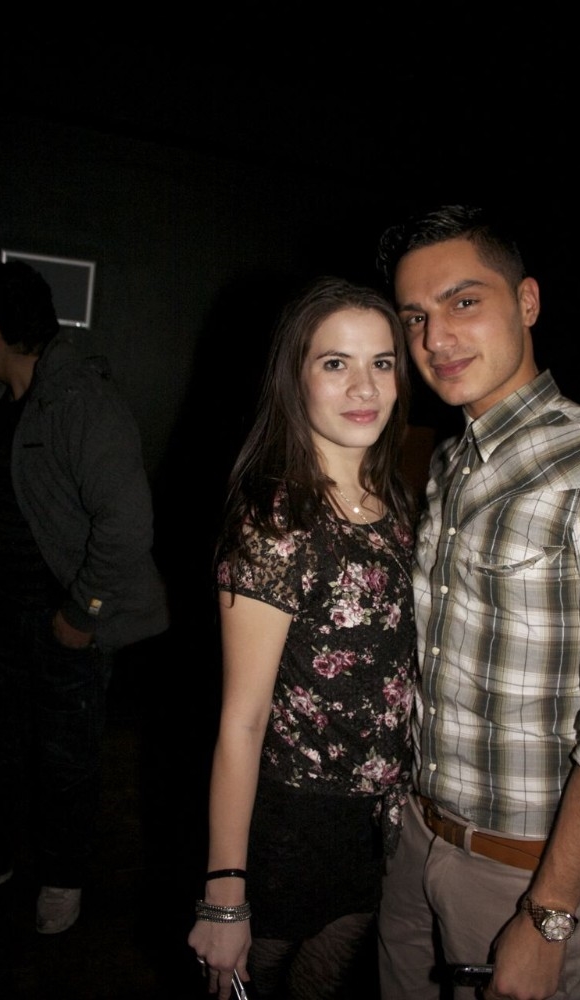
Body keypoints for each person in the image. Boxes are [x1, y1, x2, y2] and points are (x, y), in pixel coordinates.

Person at [373, 205, 580, 1000]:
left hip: (519, 874)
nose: (436, 339)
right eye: (416, 317)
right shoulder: (448, 463)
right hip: (414, 840)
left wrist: (550, 912)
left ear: (527, 302)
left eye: (464, 302)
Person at [187, 275, 418, 999]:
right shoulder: (276, 522)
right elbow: (242, 720)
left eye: (382, 362)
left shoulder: (395, 503)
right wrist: (225, 896)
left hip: (376, 828)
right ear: (297, 378)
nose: (364, 386)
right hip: (292, 825)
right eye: (335, 363)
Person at [0, 259, 169, 934]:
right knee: (3, 749)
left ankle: (63, 881)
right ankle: (0, 859)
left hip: (62, 624)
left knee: (65, 762)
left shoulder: (80, 401)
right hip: (6, 621)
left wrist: (80, 613)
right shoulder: (10, 407)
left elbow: (127, 524)